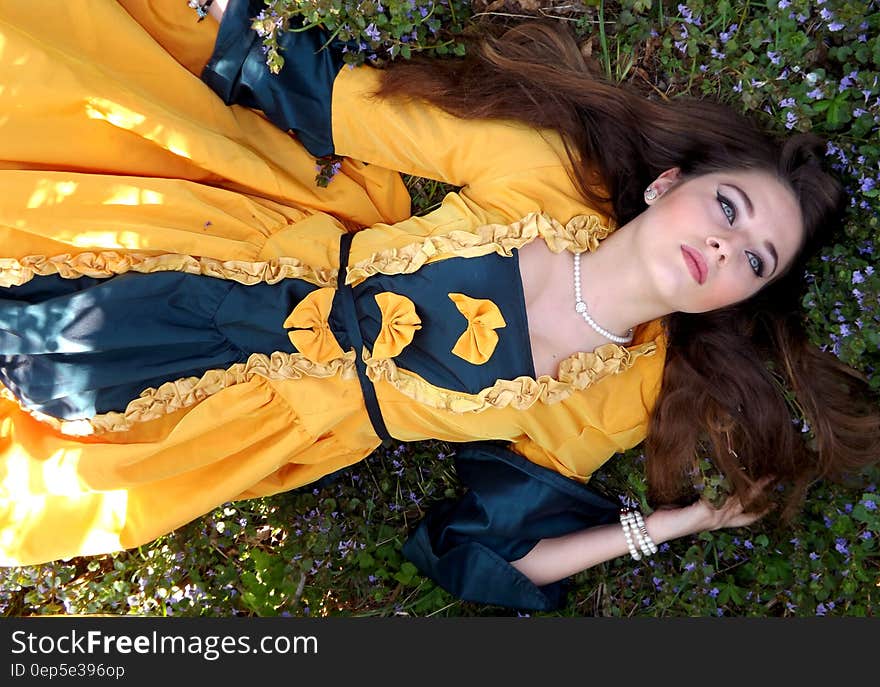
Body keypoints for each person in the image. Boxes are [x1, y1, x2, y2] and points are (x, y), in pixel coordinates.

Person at [0, 0, 877, 611]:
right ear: (669, 182)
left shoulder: (624, 392)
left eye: (754, 260)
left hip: (243, 425)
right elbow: (346, 106)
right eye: (729, 208)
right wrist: (223, 29)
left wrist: (679, 522)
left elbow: (494, 546)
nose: (726, 245)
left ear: (742, 294)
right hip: (227, 246)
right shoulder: (545, 170)